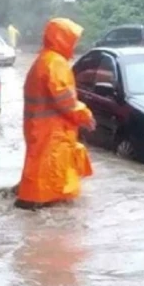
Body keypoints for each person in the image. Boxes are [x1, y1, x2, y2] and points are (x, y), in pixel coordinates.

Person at [16, 18, 95, 210]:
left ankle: (27, 201)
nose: (75, 44)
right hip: (52, 133)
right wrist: (86, 116)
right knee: (51, 179)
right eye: (72, 39)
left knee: (40, 173)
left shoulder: (43, 60)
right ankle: (34, 207)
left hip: (41, 130)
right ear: (62, 39)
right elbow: (66, 102)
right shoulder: (55, 64)